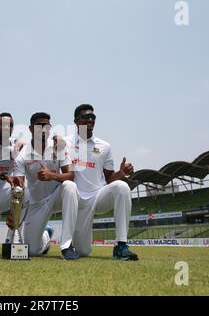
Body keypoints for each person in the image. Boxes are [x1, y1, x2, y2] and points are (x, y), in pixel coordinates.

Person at [64, 104, 138, 260]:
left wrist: (121, 173)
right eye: (85, 117)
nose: (90, 120)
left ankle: (121, 245)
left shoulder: (104, 146)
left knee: (121, 186)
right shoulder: (65, 144)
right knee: (83, 252)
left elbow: (110, 178)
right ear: (76, 121)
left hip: (98, 197)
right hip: (76, 199)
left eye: (93, 117)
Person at [12, 112, 79, 260]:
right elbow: (19, 188)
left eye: (46, 126)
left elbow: (71, 176)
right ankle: (45, 235)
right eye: (39, 126)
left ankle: (67, 245)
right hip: (37, 204)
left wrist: (52, 176)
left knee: (69, 186)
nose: (43, 130)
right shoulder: (23, 155)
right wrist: (14, 213)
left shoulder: (58, 148)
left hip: (57, 197)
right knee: (32, 251)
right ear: (30, 129)